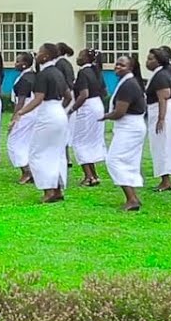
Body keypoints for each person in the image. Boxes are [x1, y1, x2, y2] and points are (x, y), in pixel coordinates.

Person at [11, 42, 72, 204]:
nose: (36, 55)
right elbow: (69, 97)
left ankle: (49, 191)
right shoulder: (58, 73)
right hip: (59, 113)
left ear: (45, 56)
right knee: (56, 153)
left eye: (38, 53)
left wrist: (20, 113)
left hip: (48, 114)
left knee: (39, 152)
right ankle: (57, 189)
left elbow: (38, 99)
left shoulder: (43, 75)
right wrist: (60, 110)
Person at [101, 54, 147, 211]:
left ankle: (132, 199)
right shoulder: (127, 82)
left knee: (114, 160)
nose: (117, 67)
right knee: (126, 161)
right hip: (130, 126)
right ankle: (132, 197)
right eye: (117, 64)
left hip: (130, 127)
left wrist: (104, 116)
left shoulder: (128, 85)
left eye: (122, 65)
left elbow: (119, 112)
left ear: (130, 67)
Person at [145, 46, 171, 192]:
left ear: (159, 61)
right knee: (161, 144)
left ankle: (166, 180)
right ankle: (165, 179)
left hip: (163, 110)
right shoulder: (160, 73)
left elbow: (164, 97)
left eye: (150, 59)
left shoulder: (161, 75)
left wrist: (161, 118)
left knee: (162, 144)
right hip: (162, 109)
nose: (147, 62)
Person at [69, 47, 107, 187]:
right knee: (91, 140)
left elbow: (83, 94)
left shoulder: (83, 72)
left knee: (80, 141)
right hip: (98, 105)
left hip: (88, 107)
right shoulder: (96, 71)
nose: (77, 58)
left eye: (80, 55)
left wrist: (72, 109)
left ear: (86, 58)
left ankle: (89, 176)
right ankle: (94, 175)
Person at [5, 52, 37, 185]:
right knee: (28, 142)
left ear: (25, 64)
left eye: (18, 61)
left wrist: (14, 118)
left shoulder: (25, 80)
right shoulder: (34, 76)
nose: (15, 64)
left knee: (14, 142)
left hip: (25, 114)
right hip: (34, 113)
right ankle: (31, 170)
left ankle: (26, 171)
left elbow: (20, 102)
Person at [55, 42, 77, 167]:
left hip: (65, 96)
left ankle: (65, 157)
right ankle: (66, 157)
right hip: (70, 94)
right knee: (66, 127)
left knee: (62, 127)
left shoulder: (59, 64)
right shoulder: (66, 63)